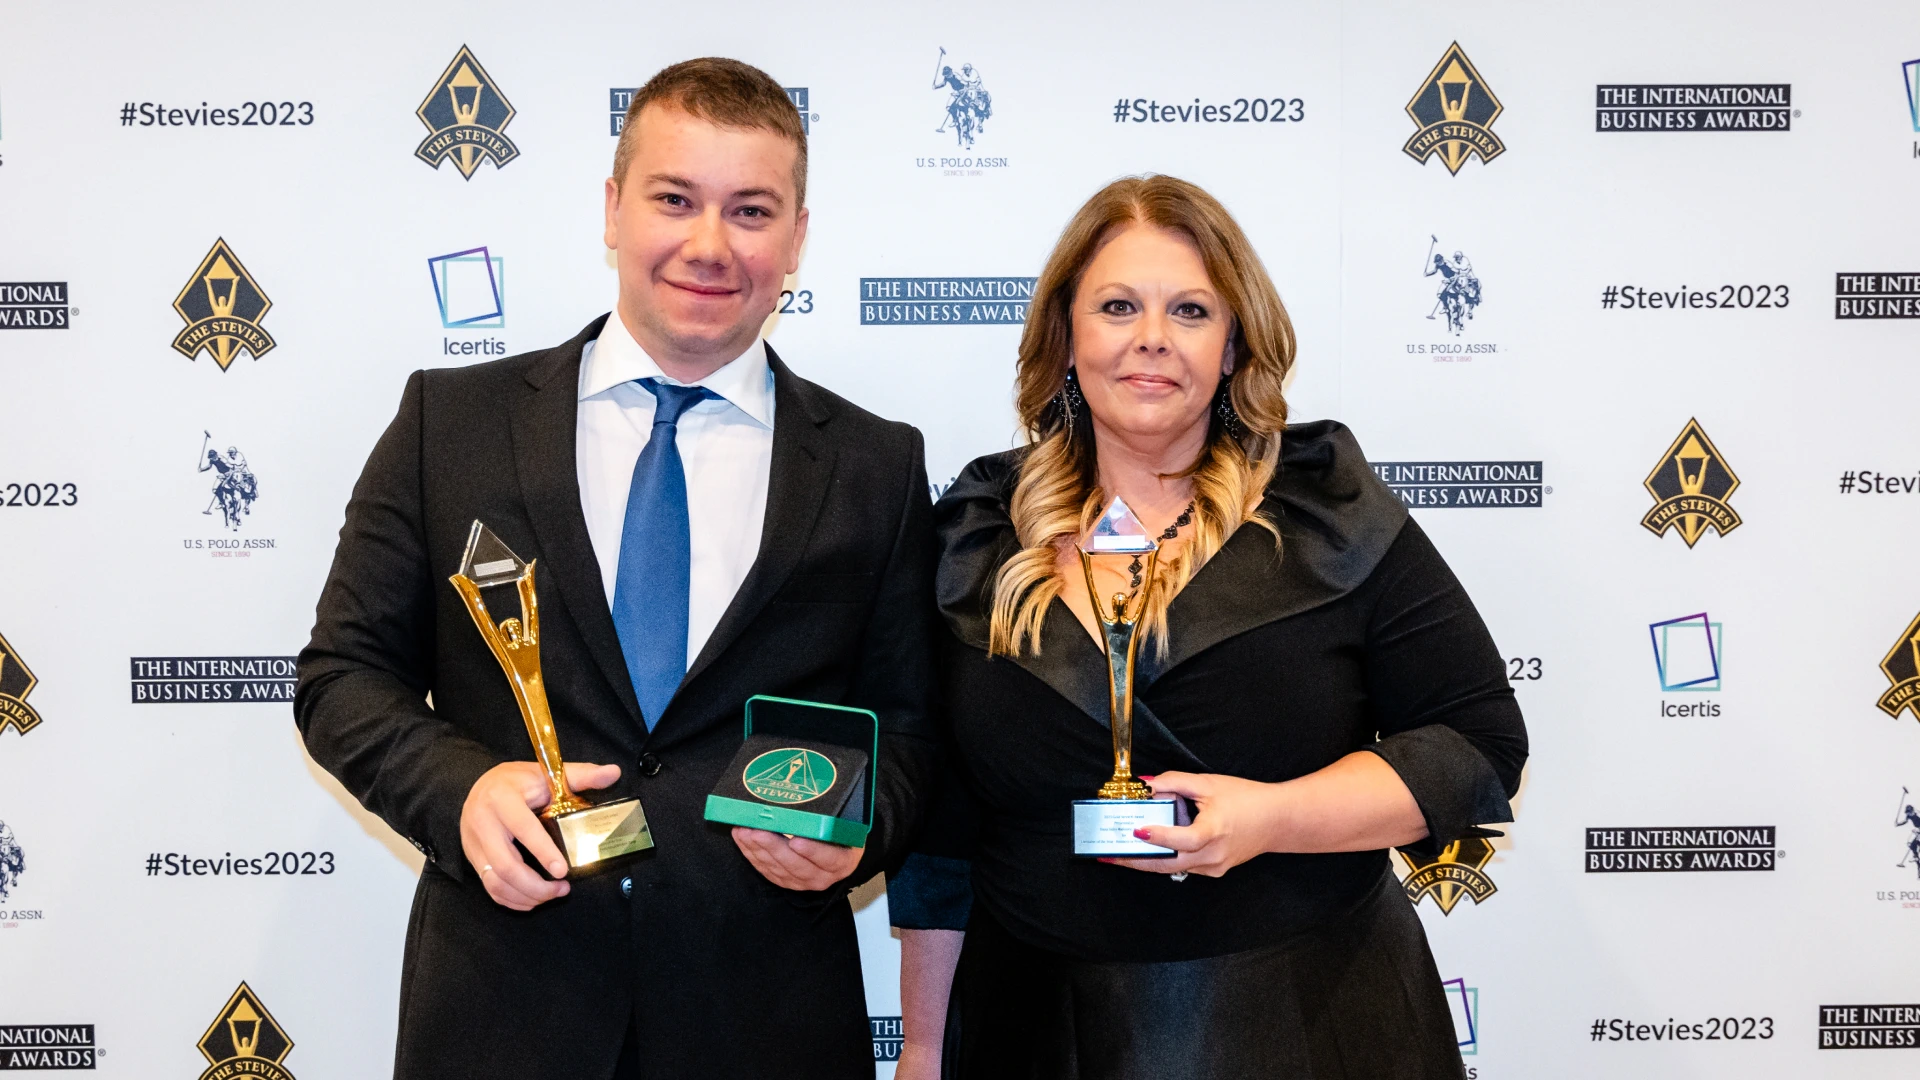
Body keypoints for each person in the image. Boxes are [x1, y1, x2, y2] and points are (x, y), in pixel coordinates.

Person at [296, 58, 936, 1079]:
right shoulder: (446, 426)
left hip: (763, 1024)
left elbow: (912, 730)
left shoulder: (876, 464)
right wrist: (461, 792)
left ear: (799, 238)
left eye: (752, 209)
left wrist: (862, 832)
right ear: (612, 209)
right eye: (674, 199)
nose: (709, 244)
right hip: (505, 1012)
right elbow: (341, 678)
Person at [887, 175, 1528, 1079]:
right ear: (1067, 337)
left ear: (1232, 347)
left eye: (1189, 310)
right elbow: (942, 826)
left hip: (1308, 1022)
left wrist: (1274, 816)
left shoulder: (1328, 512)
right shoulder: (978, 529)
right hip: (1028, 1028)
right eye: (1117, 306)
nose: (1152, 337)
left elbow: (1479, 745)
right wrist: (921, 1045)